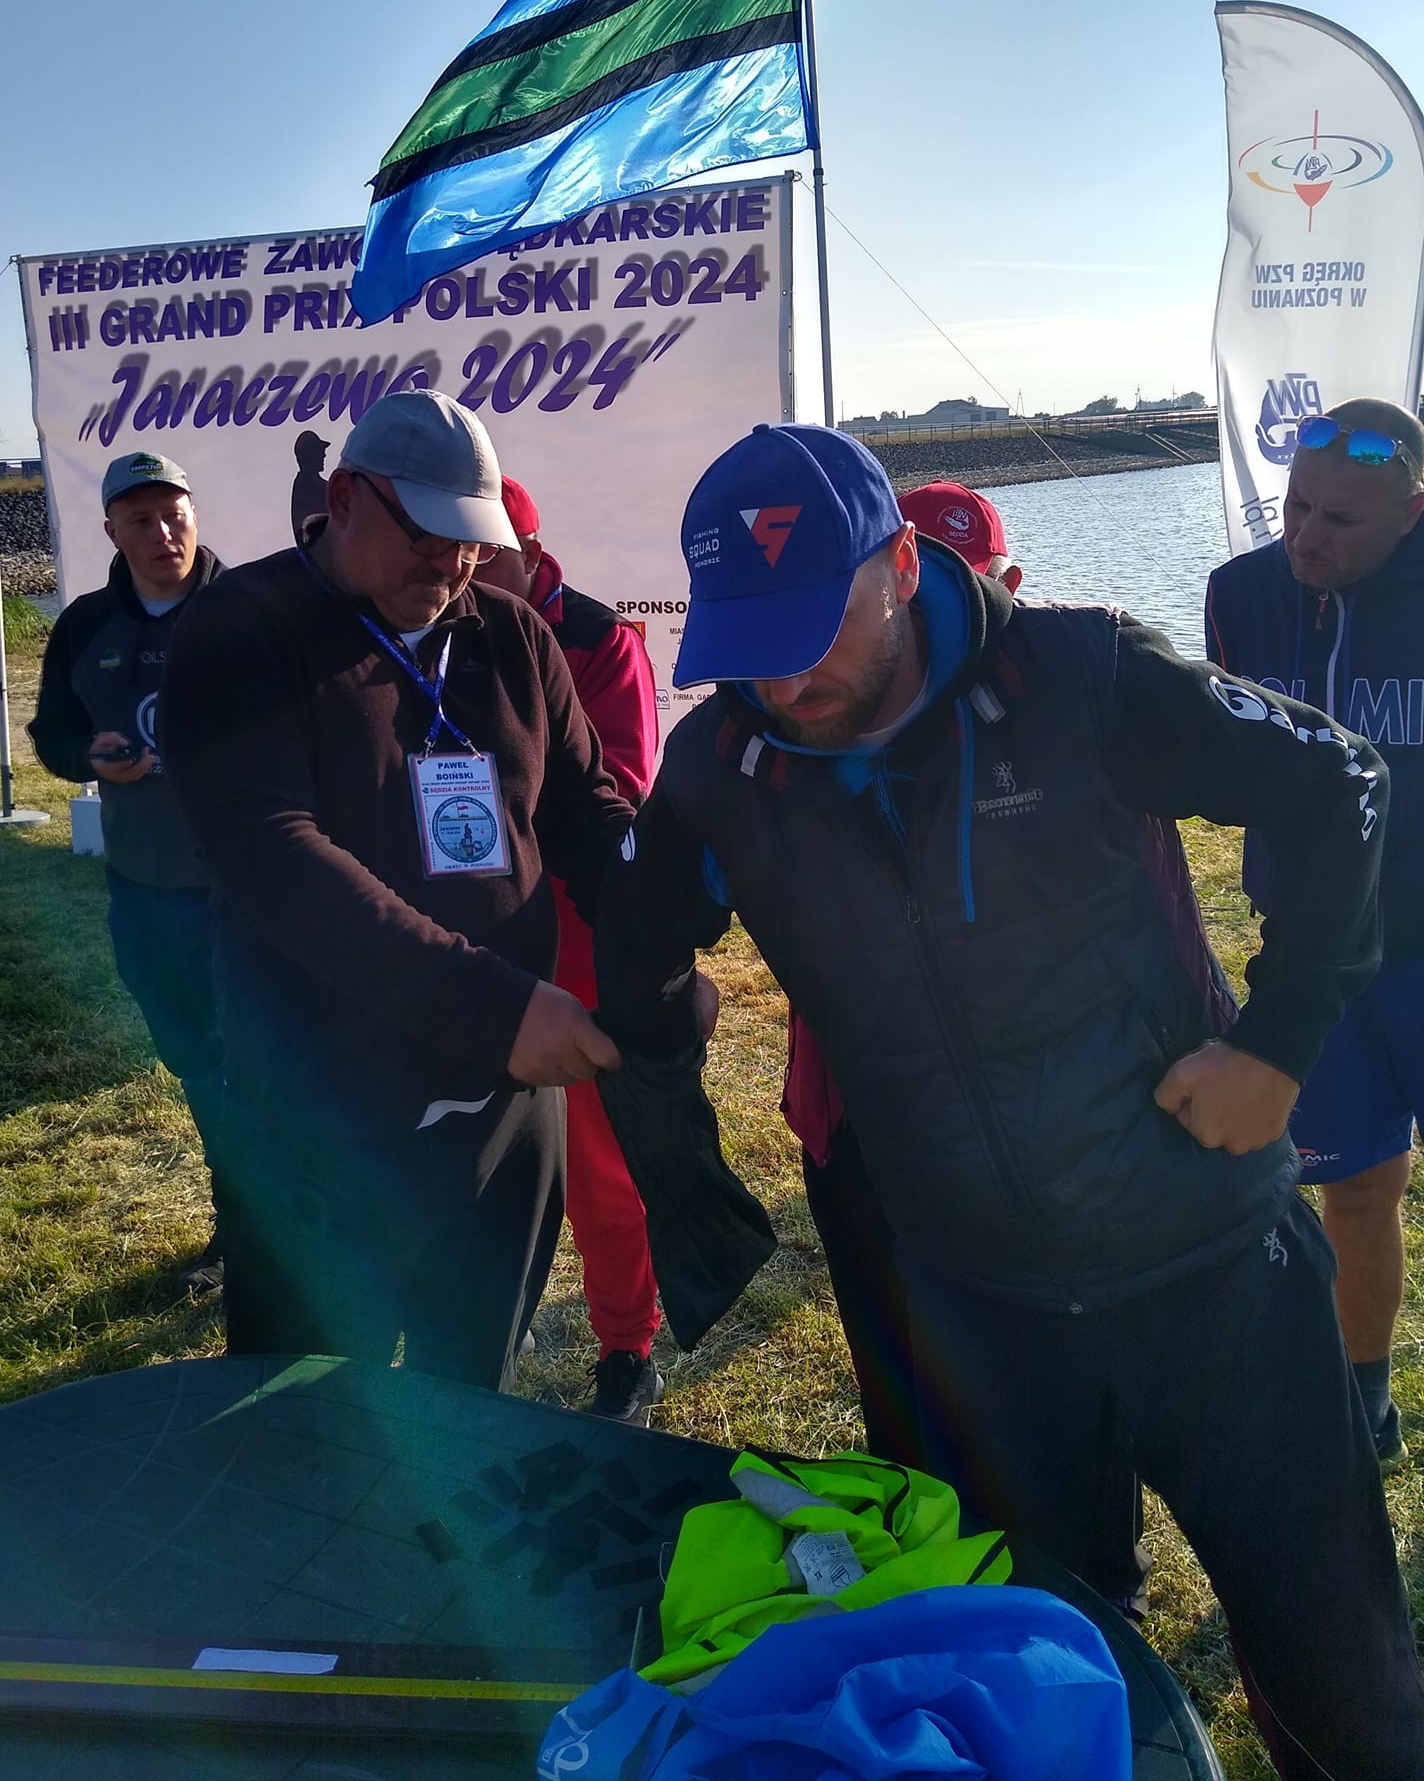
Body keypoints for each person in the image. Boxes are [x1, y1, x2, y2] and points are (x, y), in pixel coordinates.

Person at [595, 422, 1424, 1780]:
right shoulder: (725, 768)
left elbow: (1343, 781)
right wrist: (685, 1168)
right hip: (980, 1311)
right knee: (1031, 1676)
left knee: (1344, 1683)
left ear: (898, 565)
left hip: (1213, 1268)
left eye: (812, 629)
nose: (786, 680)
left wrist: (1279, 1046)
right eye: (749, 643)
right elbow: (632, 948)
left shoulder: (1082, 673)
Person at [156, 392, 634, 1390]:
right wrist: (496, 1008)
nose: (453, 564)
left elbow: (586, 809)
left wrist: (658, 941)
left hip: (503, 1107)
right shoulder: (240, 632)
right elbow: (276, 859)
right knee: (313, 1408)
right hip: (324, 1116)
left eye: (473, 540)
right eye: (427, 533)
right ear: (343, 498)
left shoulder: (510, 634)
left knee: (472, 1395)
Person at [783, 481, 1022, 1467]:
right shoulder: (804, 721)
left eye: (973, 579)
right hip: (853, 1108)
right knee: (892, 1369)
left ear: (1006, 584)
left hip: (1017, 1116)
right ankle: (905, 1510)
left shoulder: (1049, 711)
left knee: (1017, 1392)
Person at [1207, 396, 1424, 1468]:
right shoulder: (1240, 593)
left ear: (1413, 510)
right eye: (1296, 506)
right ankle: (1362, 1405)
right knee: (1358, 1183)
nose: (1306, 536)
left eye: (1342, 519)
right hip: (1314, 963)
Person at [475, 476, 664, 1423]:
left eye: (489, 557)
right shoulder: (436, 634)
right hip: (480, 940)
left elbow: (618, 787)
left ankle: (627, 1348)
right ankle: (492, 1318)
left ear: (533, 554)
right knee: (481, 1146)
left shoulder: (599, 640)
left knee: (600, 1170)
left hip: (580, 944)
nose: (468, 574)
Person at [27, 449, 227, 1295]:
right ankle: (240, 1220)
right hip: (146, 889)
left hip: (250, 892)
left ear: (195, 514)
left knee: (268, 1061)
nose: (163, 532)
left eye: (174, 513)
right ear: (111, 531)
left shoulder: (247, 610)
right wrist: (91, 757)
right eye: (141, 519)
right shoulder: (84, 626)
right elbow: (51, 735)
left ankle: (285, 1222)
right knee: (197, 1063)